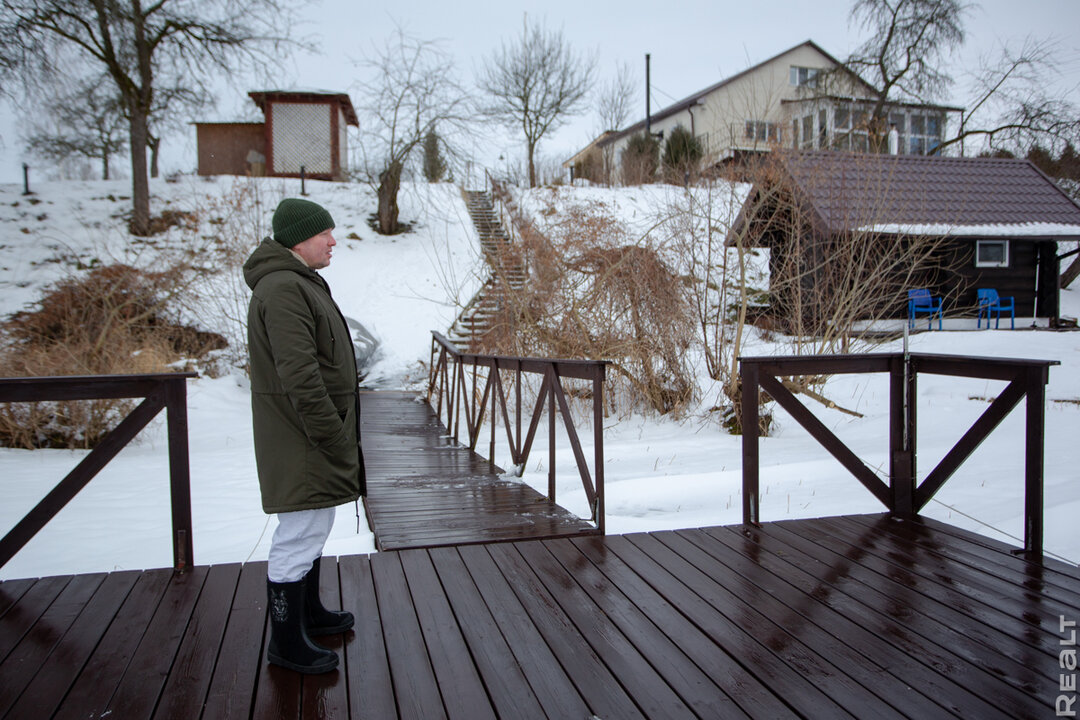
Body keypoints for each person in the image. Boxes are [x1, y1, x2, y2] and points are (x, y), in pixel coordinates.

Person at [243, 197, 366, 674]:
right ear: (299, 239)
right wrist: (333, 435)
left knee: (314, 525)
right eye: (325, 234)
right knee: (299, 532)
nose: (334, 241)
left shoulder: (296, 283)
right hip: (305, 437)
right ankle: (285, 642)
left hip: (309, 435)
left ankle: (308, 615)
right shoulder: (283, 289)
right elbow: (301, 375)